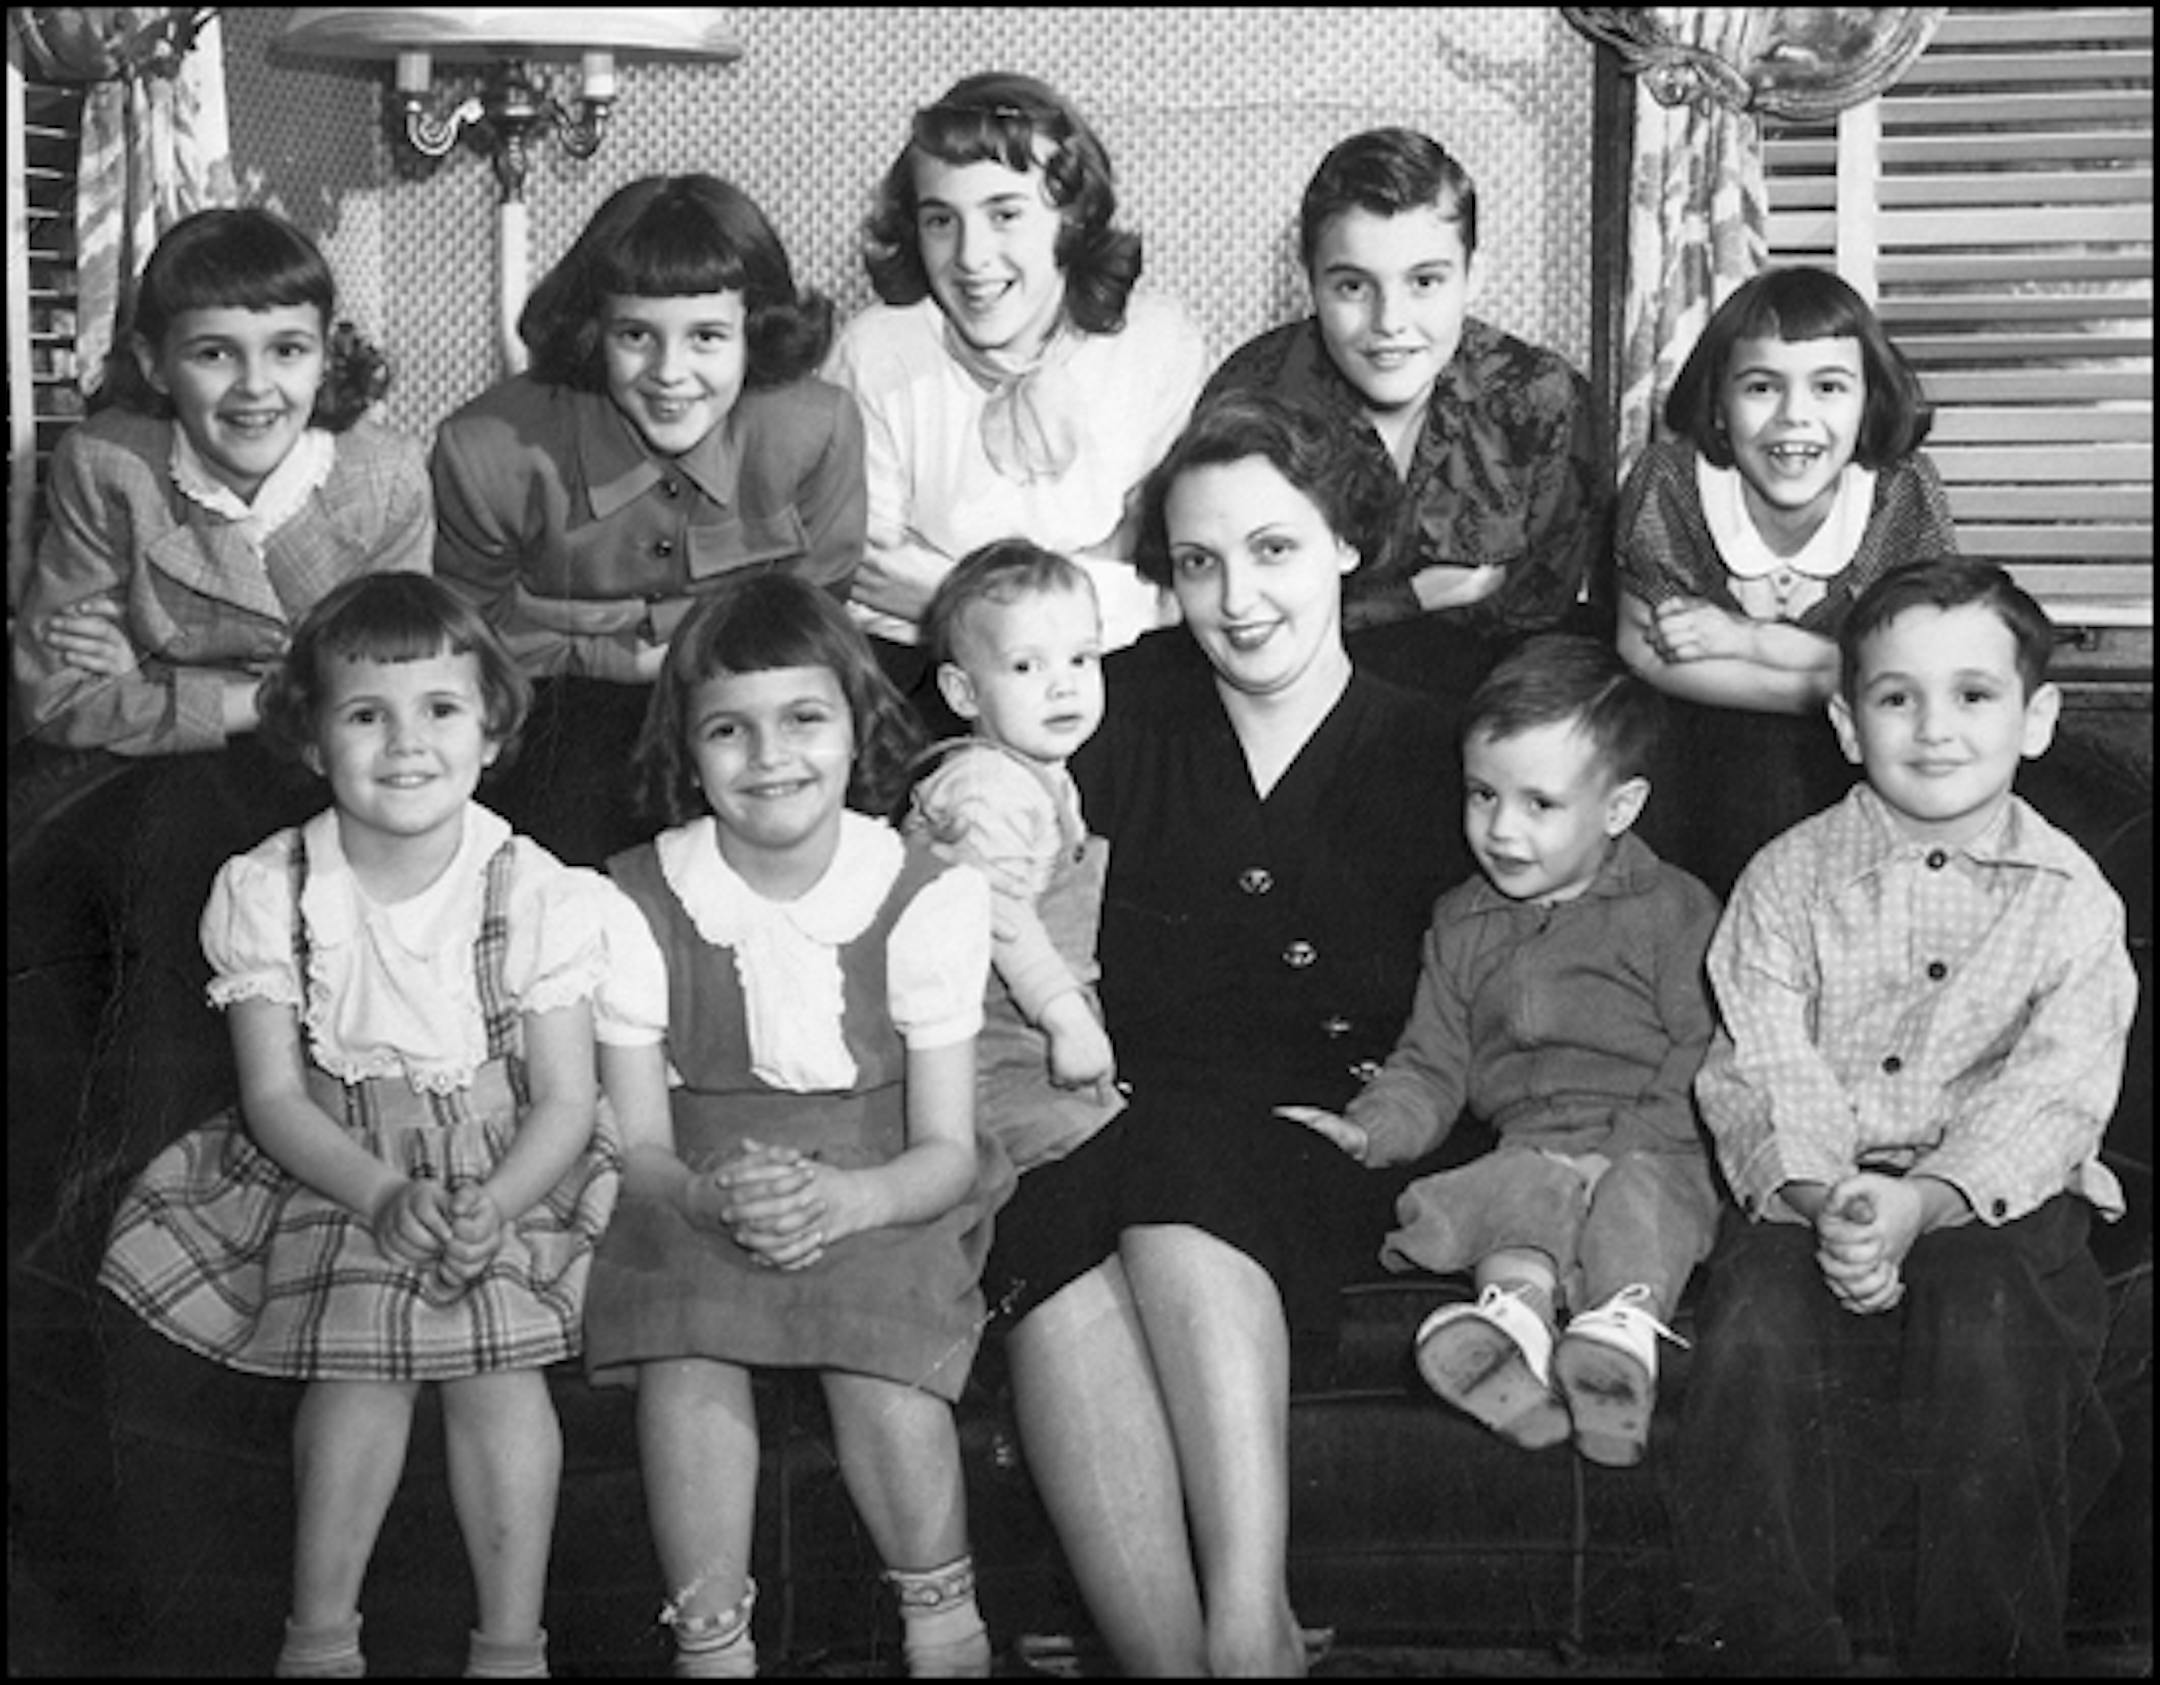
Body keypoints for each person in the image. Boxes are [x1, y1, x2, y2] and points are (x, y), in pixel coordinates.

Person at [980, 389, 1470, 1675]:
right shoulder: (1107, 710)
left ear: (1347, 545)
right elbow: (972, 866)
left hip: (1325, 1133)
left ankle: (1249, 1617)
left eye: (1273, 549)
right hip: (1113, 1113)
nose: (1236, 597)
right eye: (1198, 563)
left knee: (1177, 1162)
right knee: (1050, 1219)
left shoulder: (1434, 746)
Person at [96, 572, 626, 1680]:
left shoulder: (537, 889)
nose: (406, 743)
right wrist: (383, 1192)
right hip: (337, 1164)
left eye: (440, 707)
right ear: (311, 734)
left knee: (499, 1363)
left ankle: (511, 1646)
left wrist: (500, 1202)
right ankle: (321, 1638)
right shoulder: (269, 886)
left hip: (508, 1160)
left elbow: (570, 1097)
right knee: (363, 1353)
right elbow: (276, 1097)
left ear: (491, 724)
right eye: (366, 713)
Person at [1666, 557, 2135, 1676]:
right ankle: (1769, 1648)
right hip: (1816, 1193)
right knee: (1758, 1331)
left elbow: (2057, 1089)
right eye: (1895, 696)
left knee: (1988, 1319)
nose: (1934, 728)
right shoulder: (1783, 881)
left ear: (2037, 719)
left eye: (1974, 694)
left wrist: (1927, 1198)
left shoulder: (2075, 899)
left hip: (1995, 1205)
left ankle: (1988, 1654)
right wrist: (1833, 1200)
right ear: (1844, 720)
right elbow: (1759, 1063)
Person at [581, 573, 1012, 1679]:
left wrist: (854, 1199)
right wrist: (704, 1193)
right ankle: (711, 1643)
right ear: (685, 746)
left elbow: (947, 1148)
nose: (771, 756)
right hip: (692, 1174)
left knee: (876, 1342)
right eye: (730, 728)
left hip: (884, 1167)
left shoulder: (925, 894)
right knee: (685, 1342)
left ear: (858, 722)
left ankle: (946, 1630)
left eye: (804, 718)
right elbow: (638, 1145)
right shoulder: (629, 897)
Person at [1279, 633, 1721, 1469]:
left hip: (1658, 1141)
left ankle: (1620, 1333)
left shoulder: (1673, 910)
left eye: (1539, 804)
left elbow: (1706, 1056)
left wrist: (1620, 1149)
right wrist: (1369, 1130)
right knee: (1517, 1189)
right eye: (1483, 794)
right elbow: (1431, 1063)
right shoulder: (1462, 922)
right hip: (1532, 1143)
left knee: (1640, 1196)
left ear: (1620, 809)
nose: (1500, 830)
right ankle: (1511, 1323)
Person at [431, 172, 865, 865]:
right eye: (636, 334)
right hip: (556, 714)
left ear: (754, 334)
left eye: (707, 338)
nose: (669, 372)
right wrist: (617, 656)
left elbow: (811, 625)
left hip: (748, 696)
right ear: (593, 331)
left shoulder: (817, 428)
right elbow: (469, 649)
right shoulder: (486, 450)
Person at [824, 70, 1212, 722]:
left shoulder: (1156, 343)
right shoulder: (878, 351)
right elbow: (864, 579)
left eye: (1005, 214)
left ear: (1072, 217)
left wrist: (944, 591)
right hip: (927, 680)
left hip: (1120, 675)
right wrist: (1085, 584)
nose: (972, 257)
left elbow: (1158, 567)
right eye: (940, 220)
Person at [1200, 126, 1608, 708]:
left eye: (1424, 282)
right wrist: (1416, 596)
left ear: (1474, 276)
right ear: (1307, 282)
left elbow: (1537, 612)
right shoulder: (1254, 391)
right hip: (1292, 702)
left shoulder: (1541, 398)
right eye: (1352, 286)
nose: (1389, 321)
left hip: (1488, 711)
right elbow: (1233, 605)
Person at [12, 204, 430, 760]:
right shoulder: (105, 466)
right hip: (163, 774)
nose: (255, 386)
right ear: (154, 364)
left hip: (338, 767)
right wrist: (285, 695)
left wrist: (153, 677)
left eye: (287, 351)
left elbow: (399, 687)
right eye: (214, 354)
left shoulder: (387, 475)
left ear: (326, 356)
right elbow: (60, 698)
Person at [1614, 264, 1957, 894]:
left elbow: (1921, 670)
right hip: (1690, 734)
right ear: (1718, 401)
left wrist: (1754, 642)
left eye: (1828, 387)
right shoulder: (1670, 481)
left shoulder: (1900, 492)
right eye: (1762, 387)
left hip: (1858, 740)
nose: (1795, 417)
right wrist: (1839, 676)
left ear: (1869, 399)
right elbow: (1642, 649)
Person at [902, 538, 1125, 1174]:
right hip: (986, 1048)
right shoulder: (984, 786)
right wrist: (1065, 1018)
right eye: (1026, 667)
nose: (1063, 686)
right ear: (964, 692)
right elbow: (992, 908)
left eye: (1082, 658)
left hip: (1031, 1037)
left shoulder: (1039, 775)